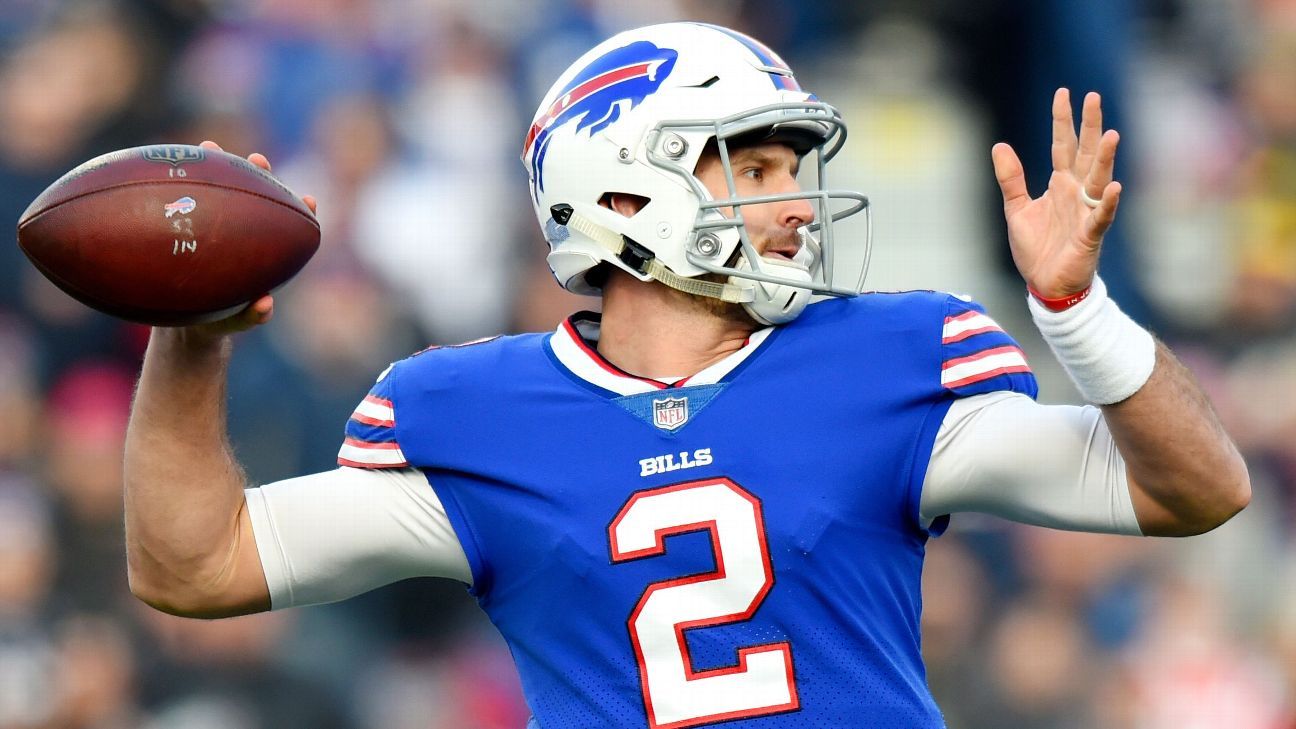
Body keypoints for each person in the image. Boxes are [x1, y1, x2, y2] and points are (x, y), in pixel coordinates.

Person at [122, 22, 1249, 729]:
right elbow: (196, 564)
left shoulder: (890, 361)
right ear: (622, 194)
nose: (797, 202)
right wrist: (191, 340)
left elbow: (1196, 489)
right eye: (757, 165)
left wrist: (1077, 310)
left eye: (794, 168)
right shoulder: (470, 415)